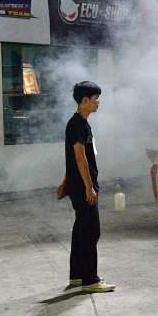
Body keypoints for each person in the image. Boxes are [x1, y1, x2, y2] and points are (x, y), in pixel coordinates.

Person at [57, 82, 115, 293]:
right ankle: (90, 280)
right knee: (91, 231)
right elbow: (80, 158)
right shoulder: (77, 125)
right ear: (85, 101)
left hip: (77, 184)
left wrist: (66, 181)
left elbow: (74, 159)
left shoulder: (80, 124)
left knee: (80, 230)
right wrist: (89, 187)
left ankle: (77, 276)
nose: (98, 102)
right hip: (83, 186)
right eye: (95, 98)